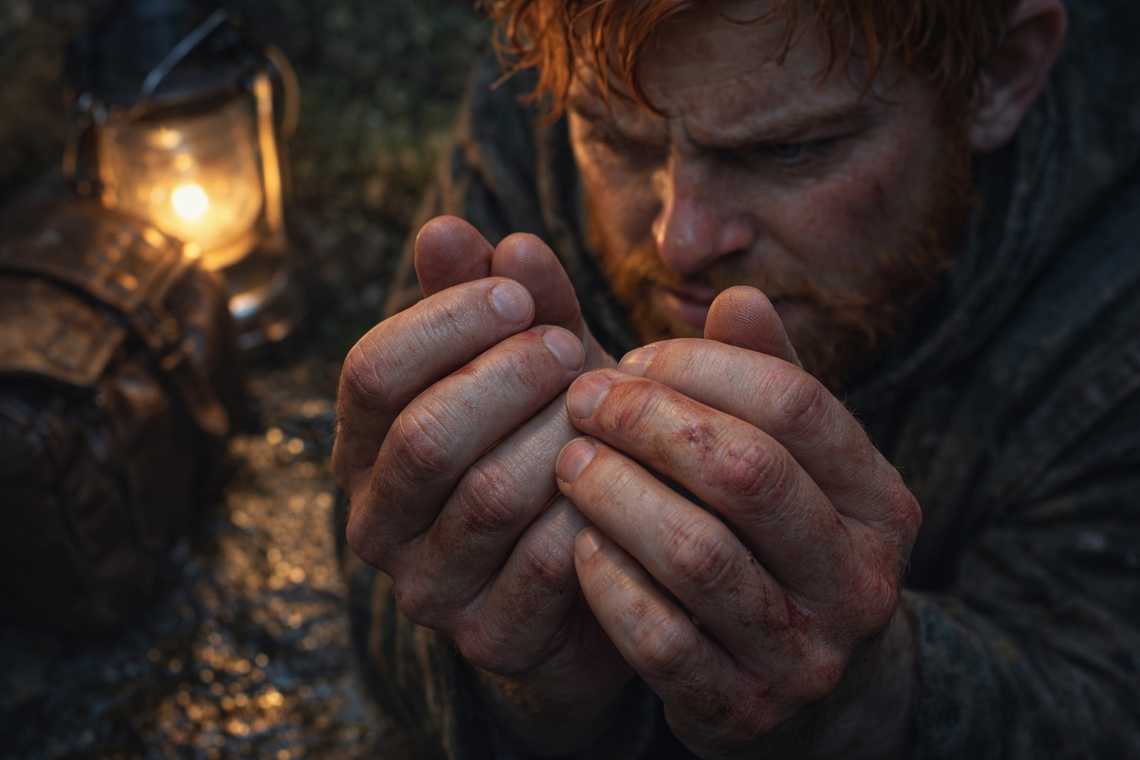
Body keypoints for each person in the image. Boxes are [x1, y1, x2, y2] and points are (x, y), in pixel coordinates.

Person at [332, 1, 1140, 757]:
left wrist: (871, 694)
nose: (680, 239)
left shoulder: (1110, 287)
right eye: (620, 141)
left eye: (788, 150)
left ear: (999, 78)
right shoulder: (579, 60)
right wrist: (529, 682)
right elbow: (386, 570)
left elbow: (1102, 707)